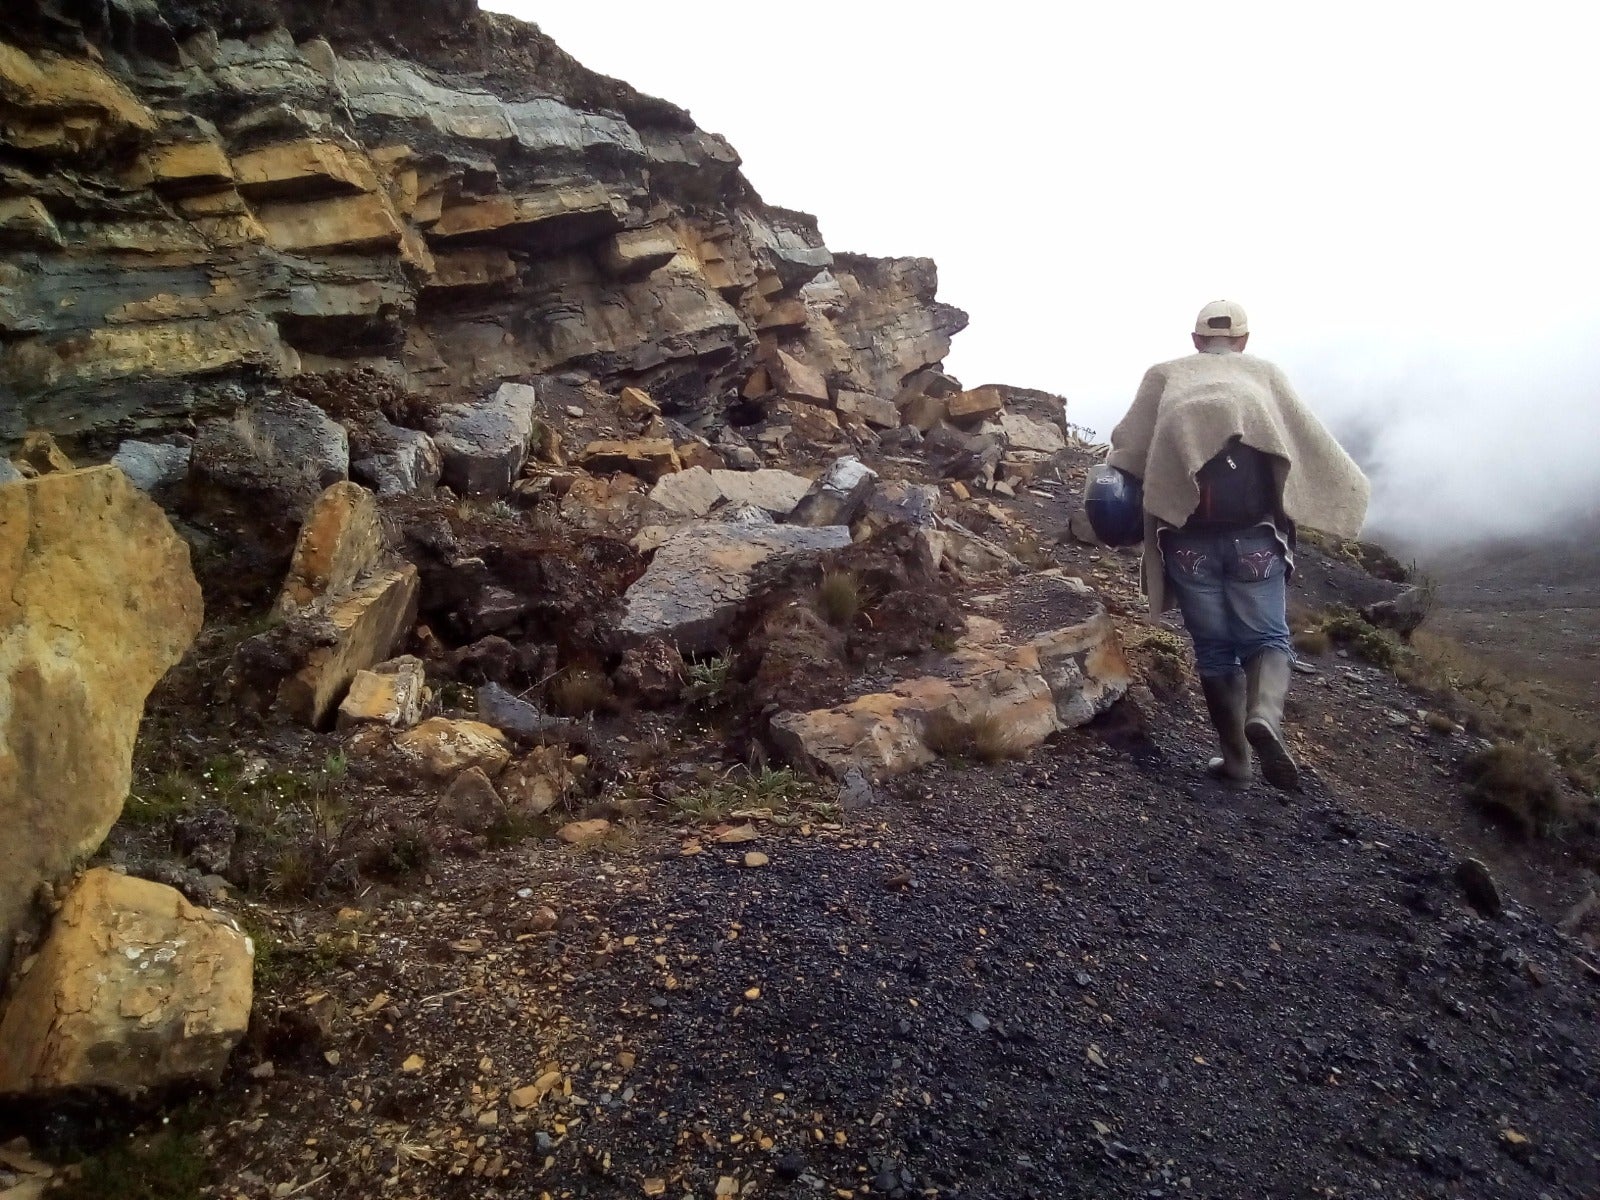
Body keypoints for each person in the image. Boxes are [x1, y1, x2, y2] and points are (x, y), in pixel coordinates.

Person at [1103, 300, 1370, 789]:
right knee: (1267, 638)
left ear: (1196, 340)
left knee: (1213, 651)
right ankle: (1265, 715)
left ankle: (1237, 763)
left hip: (1187, 544)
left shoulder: (1164, 375)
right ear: (1243, 340)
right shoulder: (1264, 374)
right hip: (1256, 541)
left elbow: (1128, 447)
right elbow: (1305, 439)